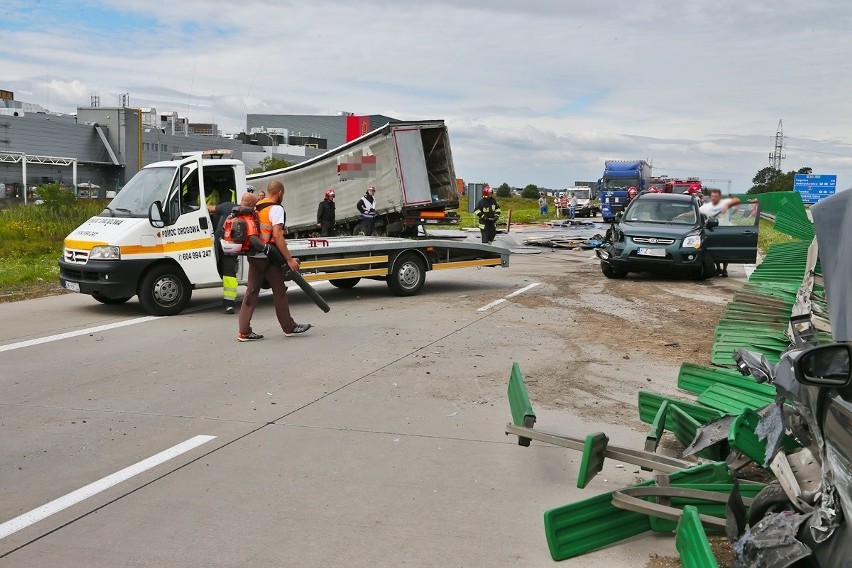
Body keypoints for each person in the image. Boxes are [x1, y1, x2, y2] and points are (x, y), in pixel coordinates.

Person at [237, 180, 311, 341]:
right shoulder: (275, 208)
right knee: (279, 291)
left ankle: (244, 331)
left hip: (253, 254)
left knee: (251, 291)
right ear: (280, 193)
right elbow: (277, 235)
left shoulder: (258, 205)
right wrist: (289, 259)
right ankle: (289, 327)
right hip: (268, 256)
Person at [208, 191, 258, 314]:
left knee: (218, 268)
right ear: (251, 203)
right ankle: (228, 304)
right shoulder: (250, 214)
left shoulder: (227, 206)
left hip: (218, 242)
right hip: (232, 246)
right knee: (229, 274)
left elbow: (209, 208)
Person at [699, 189, 741, 277]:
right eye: (713, 196)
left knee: (726, 252)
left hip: (726, 231)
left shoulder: (725, 204)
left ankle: (725, 270)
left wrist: (726, 205)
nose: (714, 198)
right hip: (714, 231)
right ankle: (718, 268)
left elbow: (737, 200)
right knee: (715, 251)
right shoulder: (707, 207)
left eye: (716, 196)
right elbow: (696, 211)